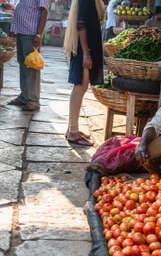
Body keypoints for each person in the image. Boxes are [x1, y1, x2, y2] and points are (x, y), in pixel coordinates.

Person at [64, 0, 105, 146]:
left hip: (86, 49)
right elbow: (81, 24)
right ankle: (73, 132)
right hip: (83, 50)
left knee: (80, 87)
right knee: (80, 87)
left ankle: (71, 128)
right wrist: (86, 53)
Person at [7, 0, 48, 111]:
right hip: (21, 30)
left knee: (32, 66)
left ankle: (33, 101)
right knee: (23, 64)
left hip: (31, 32)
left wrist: (39, 34)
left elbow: (44, 12)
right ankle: (24, 97)